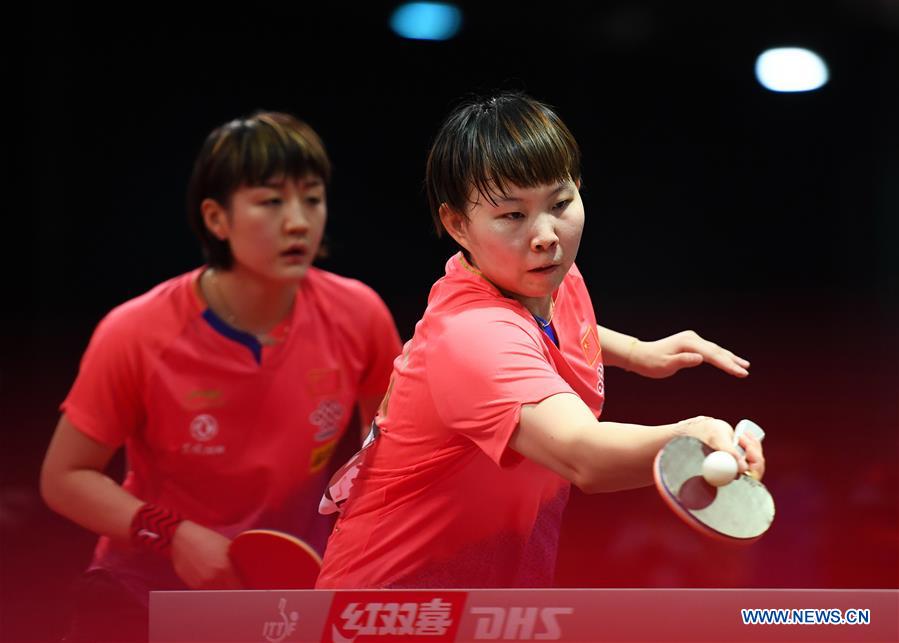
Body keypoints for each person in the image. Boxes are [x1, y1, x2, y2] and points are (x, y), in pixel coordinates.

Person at [315, 91, 765, 589]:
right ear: (457, 224)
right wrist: (693, 434)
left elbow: (550, 332)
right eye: (512, 215)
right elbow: (583, 454)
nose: (546, 234)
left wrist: (636, 352)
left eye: (560, 203)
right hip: (392, 610)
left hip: (493, 600)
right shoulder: (471, 337)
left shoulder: (547, 277)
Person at [40, 111, 402, 640]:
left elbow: (385, 456)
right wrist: (174, 536)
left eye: (312, 198)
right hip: (146, 587)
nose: (299, 221)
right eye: (271, 201)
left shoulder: (359, 314)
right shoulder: (135, 332)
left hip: (293, 589)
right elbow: (64, 478)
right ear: (216, 219)